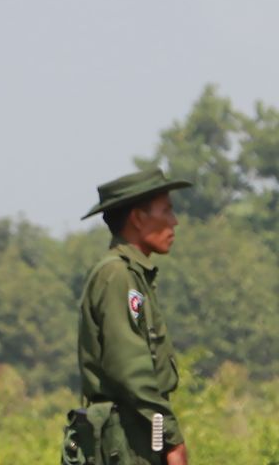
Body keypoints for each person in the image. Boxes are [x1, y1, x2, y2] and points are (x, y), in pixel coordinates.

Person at [77, 168, 193, 464]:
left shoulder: (133, 275)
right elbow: (130, 370)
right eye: (166, 210)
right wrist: (171, 438)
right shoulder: (117, 275)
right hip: (126, 438)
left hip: (138, 430)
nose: (174, 221)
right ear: (138, 218)